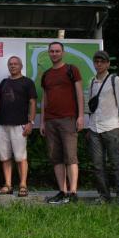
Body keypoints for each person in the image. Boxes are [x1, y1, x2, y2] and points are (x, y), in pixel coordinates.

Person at [40, 42, 85, 204]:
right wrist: (43, 121)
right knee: (56, 158)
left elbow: (80, 94)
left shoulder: (72, 70)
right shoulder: (46, 75)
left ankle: (73, 193)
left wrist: (80, 116)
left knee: (70, 156)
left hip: (68, 118)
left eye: (57, 51)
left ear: (63, 53)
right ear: (48, 53)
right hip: (51, 121)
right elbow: (44, 99)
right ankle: (62, 191)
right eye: (52, 51)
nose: (54, 54)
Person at [87, 51, 119, 204]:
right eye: (96, 61)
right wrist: (89, 125)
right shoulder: (92, 81)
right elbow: (91, 107)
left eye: (102, 61)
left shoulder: (115, 80)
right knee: (98, 165)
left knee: (116, 163)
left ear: (108, 64)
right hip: (94, 128)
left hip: (112, 127)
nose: (99, 64)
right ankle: (104, 196)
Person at [0, 56, 37, 198]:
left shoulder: (27, 82)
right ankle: (8, 185)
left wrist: (31, 122)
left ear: (21, 66)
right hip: (2, 124)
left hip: (20, 124)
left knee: (20, 157)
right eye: (10, 64)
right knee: (4, 157)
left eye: (15, 64)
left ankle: (23, 185)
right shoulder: (4, 82)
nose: (13, 66)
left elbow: (32, 103)